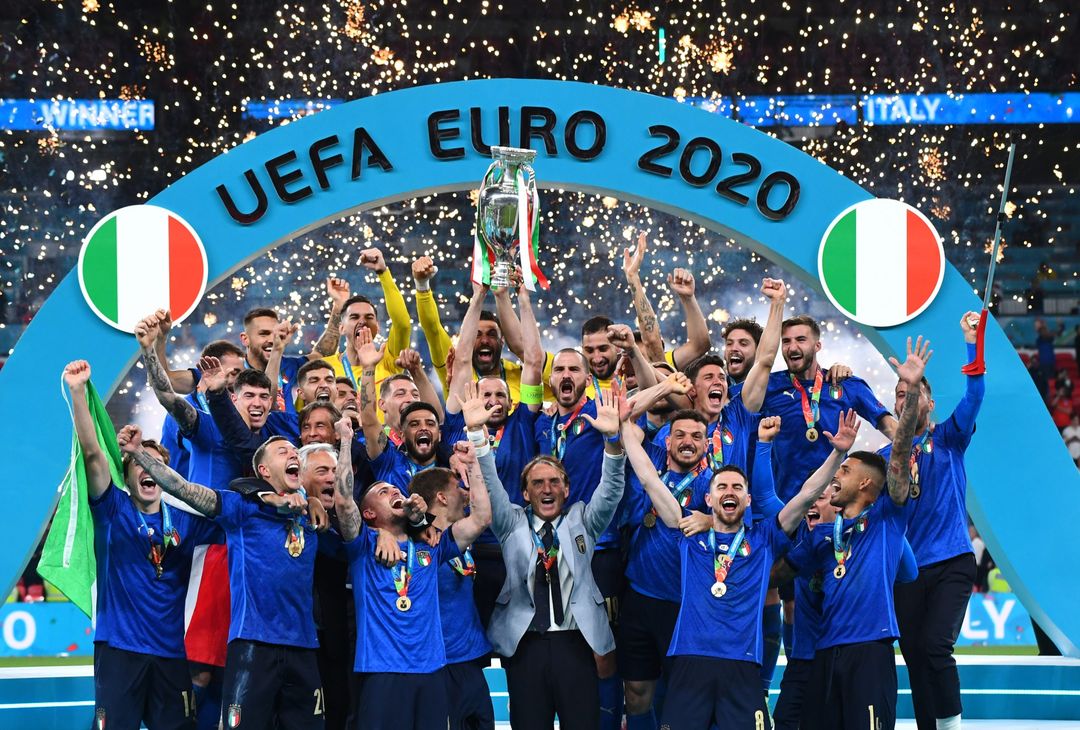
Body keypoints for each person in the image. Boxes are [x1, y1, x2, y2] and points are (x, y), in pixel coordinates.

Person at [622, 401, 859, 729]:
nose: (729, 492)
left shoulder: (765, 538)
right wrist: (623, 427)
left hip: (743, 666)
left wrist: (838, 455)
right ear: (709, 498)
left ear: (748, 500)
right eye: (721, 487)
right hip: (691, 662)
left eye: (737, 487)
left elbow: (805, 496)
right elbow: (649, 479)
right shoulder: (686, 532)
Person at [117, 427, 327, 729]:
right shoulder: (240, 509)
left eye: (295, 451)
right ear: (264, 470)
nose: (293, 453)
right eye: (283, 451)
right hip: (253, 643)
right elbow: (183, 489)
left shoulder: (310, 514)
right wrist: (138, 454)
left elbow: (350, 517)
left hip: (305, 645)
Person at [773, 336, 932, 730]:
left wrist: (910, 392)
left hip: (870, 652)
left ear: (865, 485)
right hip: (825, 654)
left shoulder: (886, 521)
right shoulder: (822, 536)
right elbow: (780, 573)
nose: (835, 479)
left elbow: (897, 456)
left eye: (844, 472)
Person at [64, 360, 220, 730]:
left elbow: (229, 514)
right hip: (120, 651)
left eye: (157, 463)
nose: (149, 469)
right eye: (140, 463)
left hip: (171, 655)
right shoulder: (112, 509)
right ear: (128, 472)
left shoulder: (187, 523)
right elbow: (92, 456)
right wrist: (78, 393)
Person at [331, 416, 492, 730]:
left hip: (432, 672)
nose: (392, 489)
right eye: (381, 490)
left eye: (393, 486)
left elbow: (482, 518)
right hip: (383, 672)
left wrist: (474, 464)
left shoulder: (432, 544)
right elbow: (342, 502)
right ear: (369, 513)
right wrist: (347, 442)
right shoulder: (363, 546)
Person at [483, 385, 628, 730]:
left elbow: (610, 490)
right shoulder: (510, 522)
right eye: (537, 483)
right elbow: (489, 483)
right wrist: (477, 434)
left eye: (553, 482)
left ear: (566, 488)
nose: (546, 489)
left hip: (575, 641)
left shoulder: (583, 519)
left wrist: (612, 442)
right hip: (526, 642)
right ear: (524, 492)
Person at [886, 315, 985, 730]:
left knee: (934, 647)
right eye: (898, 393)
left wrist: (971, 343)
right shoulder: (888, 458)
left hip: (951, 563)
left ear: (931, 403)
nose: (904, 397)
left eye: (913, 391)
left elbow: (975, 394)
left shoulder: (949, 438)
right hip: (908, 572)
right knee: (914, 654)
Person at [444, 282, 545, 627]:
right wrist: (477, 297)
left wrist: (523, 299)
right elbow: (460, 360)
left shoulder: (523, 422)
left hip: (515, 548)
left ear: (511, 400)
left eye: (500, 395)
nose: (492, 401)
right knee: (472, 637)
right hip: (467, 546)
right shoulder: (458, 425)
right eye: (484, 394)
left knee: (516, 639)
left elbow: (533, 358)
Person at [618, 408, 713, 728]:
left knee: (682, 691)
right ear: (667, 440)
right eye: (681, 435)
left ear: (707, 444)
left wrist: (710, 520)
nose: (688, 442)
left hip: (684, 604)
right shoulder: (650, 465)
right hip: (638, 597)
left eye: (697, 437)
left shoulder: (712, 485)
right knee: (635, 690)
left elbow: (745, 522)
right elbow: (625, 426)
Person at [411, 439, 497, 730]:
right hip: (439, 663)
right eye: (457, 488)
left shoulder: (454, 538)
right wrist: (471, 468)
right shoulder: (422, 543)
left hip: (469, 660)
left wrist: (473, 465)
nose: (465, 493)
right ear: (442, 498)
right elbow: (482, 517)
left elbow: (482, 516)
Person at [320, 248, 413, 419]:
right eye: (354, 317)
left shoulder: (388, 359)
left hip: (383, 444)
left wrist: (383, 272)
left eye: (369, 317)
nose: (363, 321)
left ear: (377, 326)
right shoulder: (325, 369)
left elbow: (403, 324)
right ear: (341, 328)